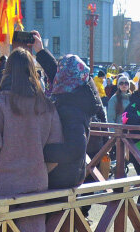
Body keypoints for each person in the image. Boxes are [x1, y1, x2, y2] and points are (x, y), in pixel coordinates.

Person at [0, 48, 62, 232]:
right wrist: (37, 170)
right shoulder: (47, 107)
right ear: (33, 71)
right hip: (35, 186)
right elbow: (56, 152)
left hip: (2, 189)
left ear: (7, 71)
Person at [40, 52, 106, 190]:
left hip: (62, 176)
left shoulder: (71, 107)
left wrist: (40, 150)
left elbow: (75, 149)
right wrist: (41, 52)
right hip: (69, 173)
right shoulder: (77, 95)